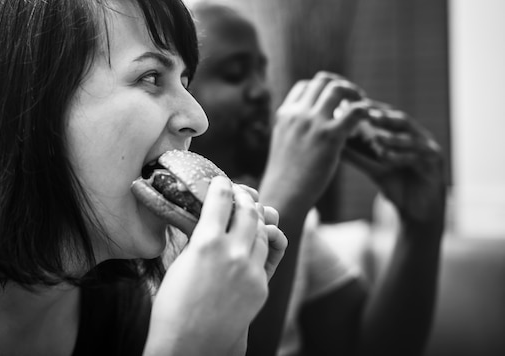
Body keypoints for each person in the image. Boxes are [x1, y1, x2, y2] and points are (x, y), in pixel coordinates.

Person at [0, 1, 290, 355]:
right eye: (151, 77)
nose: (198, 120)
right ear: (31, 111)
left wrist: (226, 332)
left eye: (184, 81)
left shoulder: (114, 301)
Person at [186, 2, 447, 356]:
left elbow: (365, 347)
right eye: (235, 73)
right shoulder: (157, 231)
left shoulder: (298, 225)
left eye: (262, 72)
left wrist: (421, 227)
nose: (262, 91)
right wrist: (288, 194)